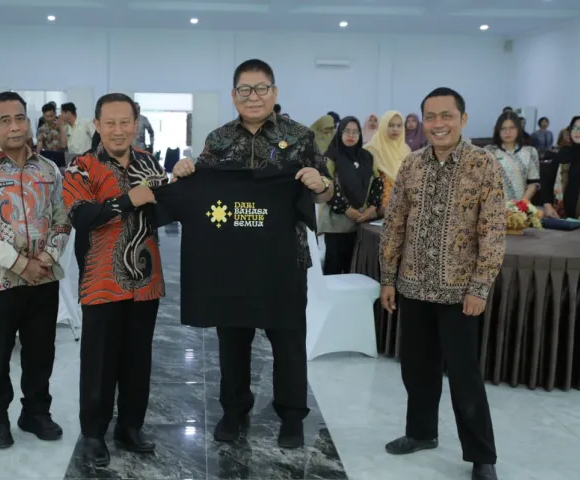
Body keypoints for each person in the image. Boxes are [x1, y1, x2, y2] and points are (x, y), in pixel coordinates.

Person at [171, 59, 339, 449]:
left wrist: (321, 184)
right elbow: (201, 188)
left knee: (288, 338)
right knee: (232, 338)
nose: (253, 97)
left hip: (286, 258)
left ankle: (292, 416)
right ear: (234, 96)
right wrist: (183, 172)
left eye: (261, 88)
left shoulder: (299, 137)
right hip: (231, 259)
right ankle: (234, 410)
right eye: (245, 90)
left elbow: (329, 192)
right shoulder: (218, 140)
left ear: (274, 92)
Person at [379, 87, 504, 480]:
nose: (438, 124)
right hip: (412, 287)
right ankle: (421, 433)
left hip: (459, 294)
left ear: (462, 119)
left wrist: (479, 287)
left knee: (465, 376)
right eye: (430, 116)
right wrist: (388, 279)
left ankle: (482, 455)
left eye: (446, 115)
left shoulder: (483, 164)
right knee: (417, 369)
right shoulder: (411, 164)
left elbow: (493, 231)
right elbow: (394, 224)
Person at [62, 93, 168, 467]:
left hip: (146, 280)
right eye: (110, 123)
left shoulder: (149, 162)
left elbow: (167, 207)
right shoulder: (82, 167)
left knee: (138, 359)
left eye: (125, 122)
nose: (118, 130)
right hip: (101, 281)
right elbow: (81, 216)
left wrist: (186, 180)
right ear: (97, 125)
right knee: (99, 363)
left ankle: (130, 426)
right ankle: (93, 433)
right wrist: (127, 200)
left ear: (136, 125)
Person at [0, 91, 71, 450]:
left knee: (41, 353)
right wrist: (22, 265)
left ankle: (35, 413)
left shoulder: (49, 169)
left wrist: (47, 258)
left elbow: (62, 219)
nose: (14, 126)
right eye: (5, 120)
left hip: (43, 279)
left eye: (20, 118)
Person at [317, 116, 383, 275]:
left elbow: (377, 181)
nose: (351, 135)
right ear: (339, 132)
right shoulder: (330, 156)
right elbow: (326, 185)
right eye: (346, 131)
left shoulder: (367, 156)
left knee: (355, 267)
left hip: (362, 220)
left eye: (355, 132)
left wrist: (372, 208)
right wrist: (347, 209)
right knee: (334, 267)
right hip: (337, 223)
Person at [541, 114, 580, 220]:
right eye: (574, 128)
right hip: (560, 220)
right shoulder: (564, 154)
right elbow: (547, 180)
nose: (578, 131)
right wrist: (547, 205)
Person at [485, 111, 540, 202]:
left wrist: (521, 204)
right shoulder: (489, 151)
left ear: (518, 129)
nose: (507, 132)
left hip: (521, 206)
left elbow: (533, 182)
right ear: (498, 131)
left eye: (512, 128)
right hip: (494, 205)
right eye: (503, 128)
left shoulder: (530, 152)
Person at [364, 110, 411, 211]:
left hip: (403, 200)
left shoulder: (406, 149)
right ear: (383, 126)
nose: (395, 129)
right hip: (378, 201)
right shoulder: (371, 148)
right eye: (390, 125)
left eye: (399, 126)